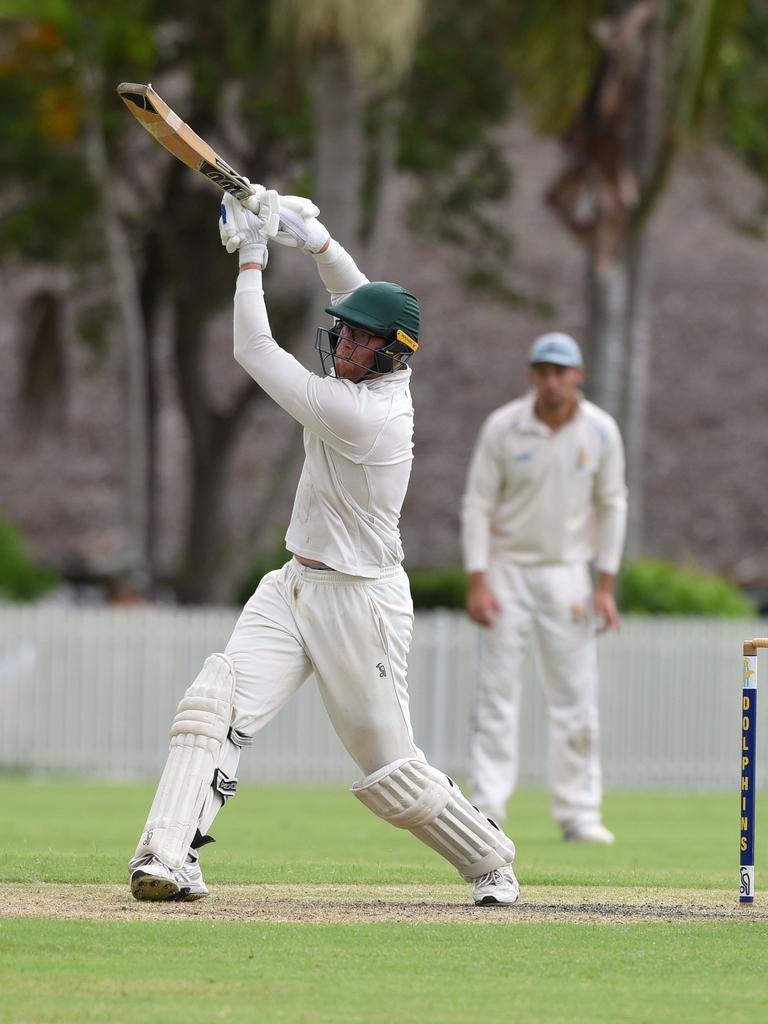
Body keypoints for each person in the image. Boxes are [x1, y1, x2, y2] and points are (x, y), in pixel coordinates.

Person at [128, 188, 519, 907]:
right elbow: (359, 295)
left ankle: (490, 856)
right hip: (294, 585)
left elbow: (251, 348)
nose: (342, 342)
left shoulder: (364, 416)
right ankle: (167, 855)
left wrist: (252, 252)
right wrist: (315, 240)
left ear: (389, 356)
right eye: (339, 333)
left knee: (391, 772)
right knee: (213, 705)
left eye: (357, 339)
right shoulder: (365, 370)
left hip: (360, 603)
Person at [461, 332, 627, 843]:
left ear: (578, 375)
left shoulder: (600, 430)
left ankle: (578, 813)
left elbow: (613, 504)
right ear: (532, 375)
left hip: (568, 573)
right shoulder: (504, 427)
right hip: (509, 570)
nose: (551, 381)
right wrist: (478, 580)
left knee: (575, 698)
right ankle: (486, 808)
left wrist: (604, 585)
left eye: (561, 371)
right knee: (497, 695)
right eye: (543, 371)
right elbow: (477, 504)